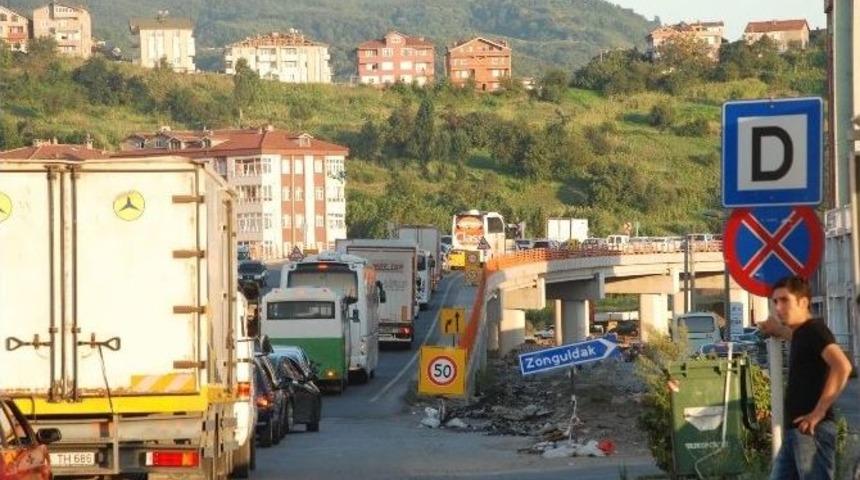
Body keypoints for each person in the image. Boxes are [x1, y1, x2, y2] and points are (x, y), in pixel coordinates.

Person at [758, 275, 853, 480]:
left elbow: (842, 366)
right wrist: (777, 329)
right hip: (796, 432)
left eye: (785, 300)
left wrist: (817, 413)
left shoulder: (816, 330)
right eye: (775, 301)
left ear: (803, 302)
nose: (778, 307)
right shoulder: (803, 333)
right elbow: (800, 340)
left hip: (813, 431)